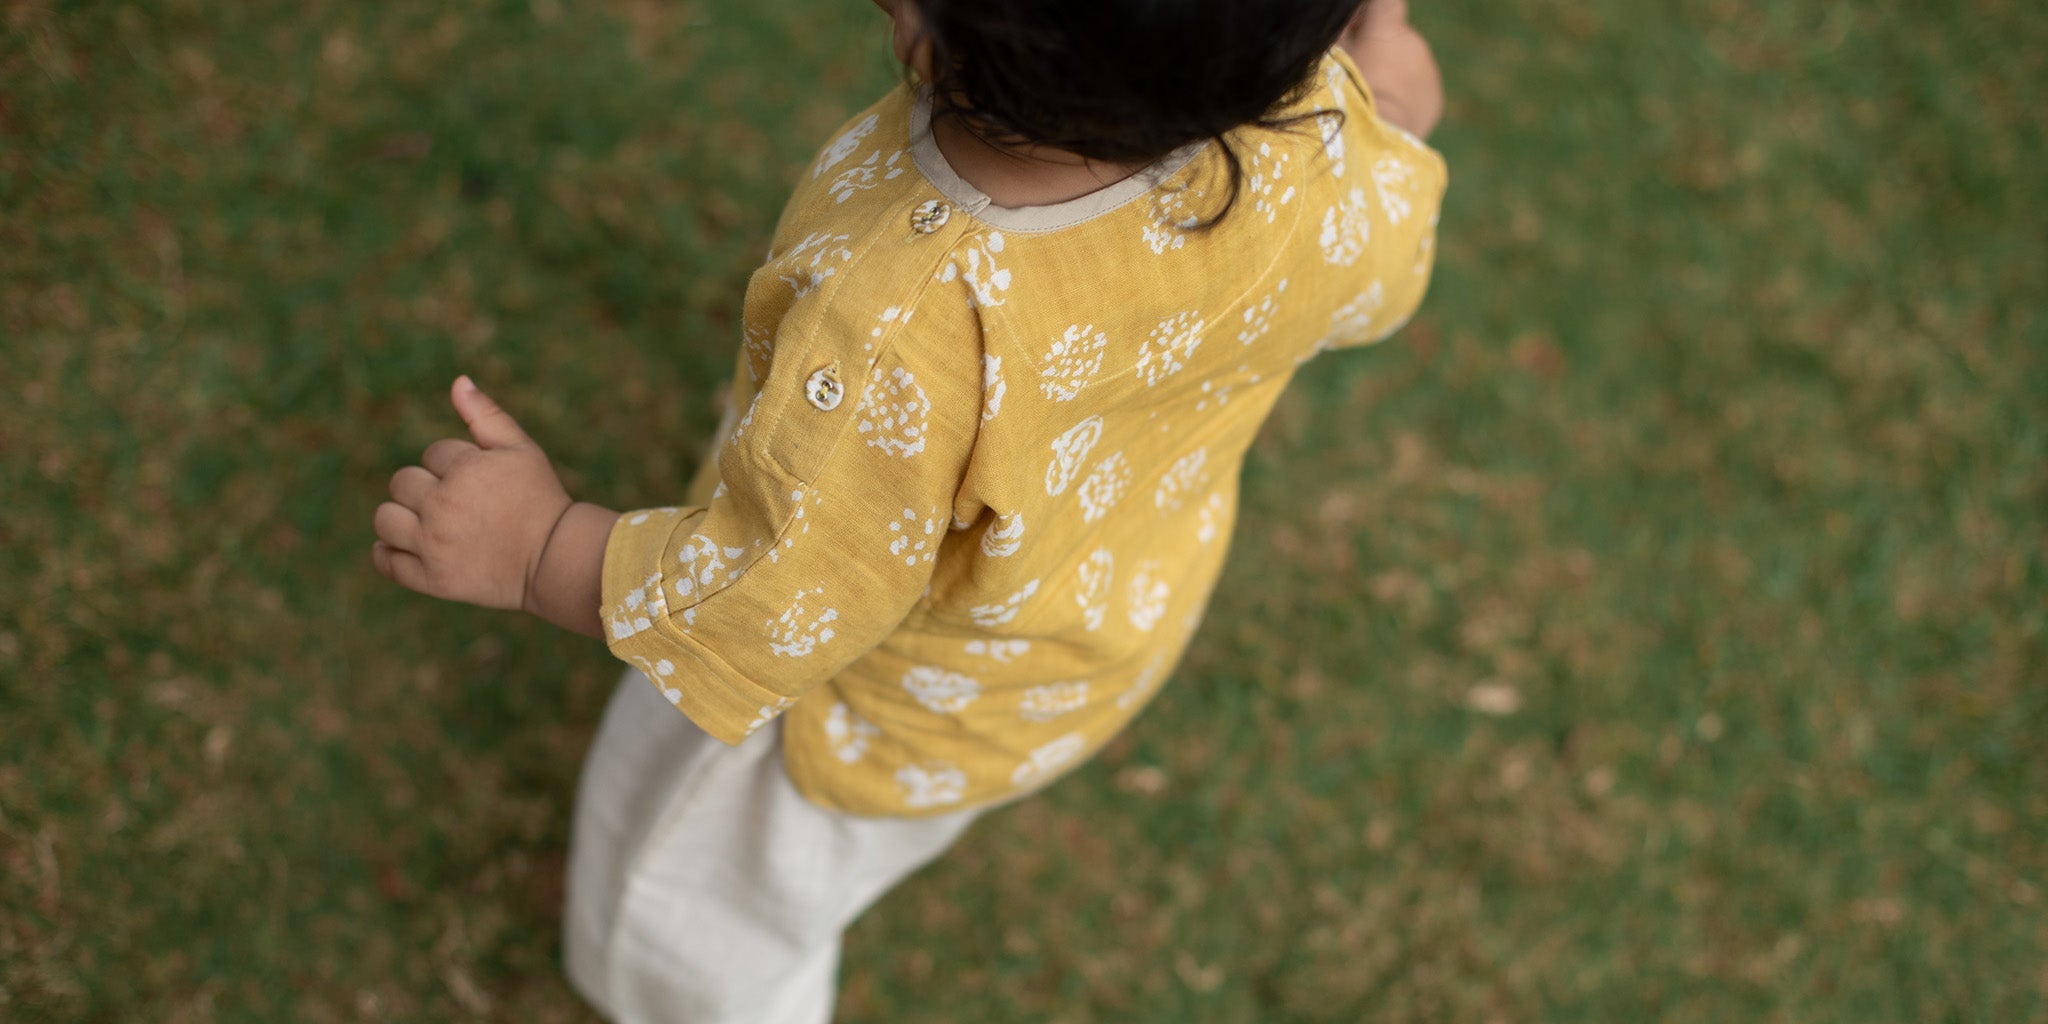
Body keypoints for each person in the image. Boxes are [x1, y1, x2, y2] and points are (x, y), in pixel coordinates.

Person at [370, 0, 1445, 1019]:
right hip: (1069, 645)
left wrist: (539, 548)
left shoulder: (905, 323)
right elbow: (1378, 269)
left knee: (690, 908)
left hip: (849, 708)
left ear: (933, 30)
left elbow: (769, 604)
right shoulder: (1307, 131)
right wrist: (1387, 104)